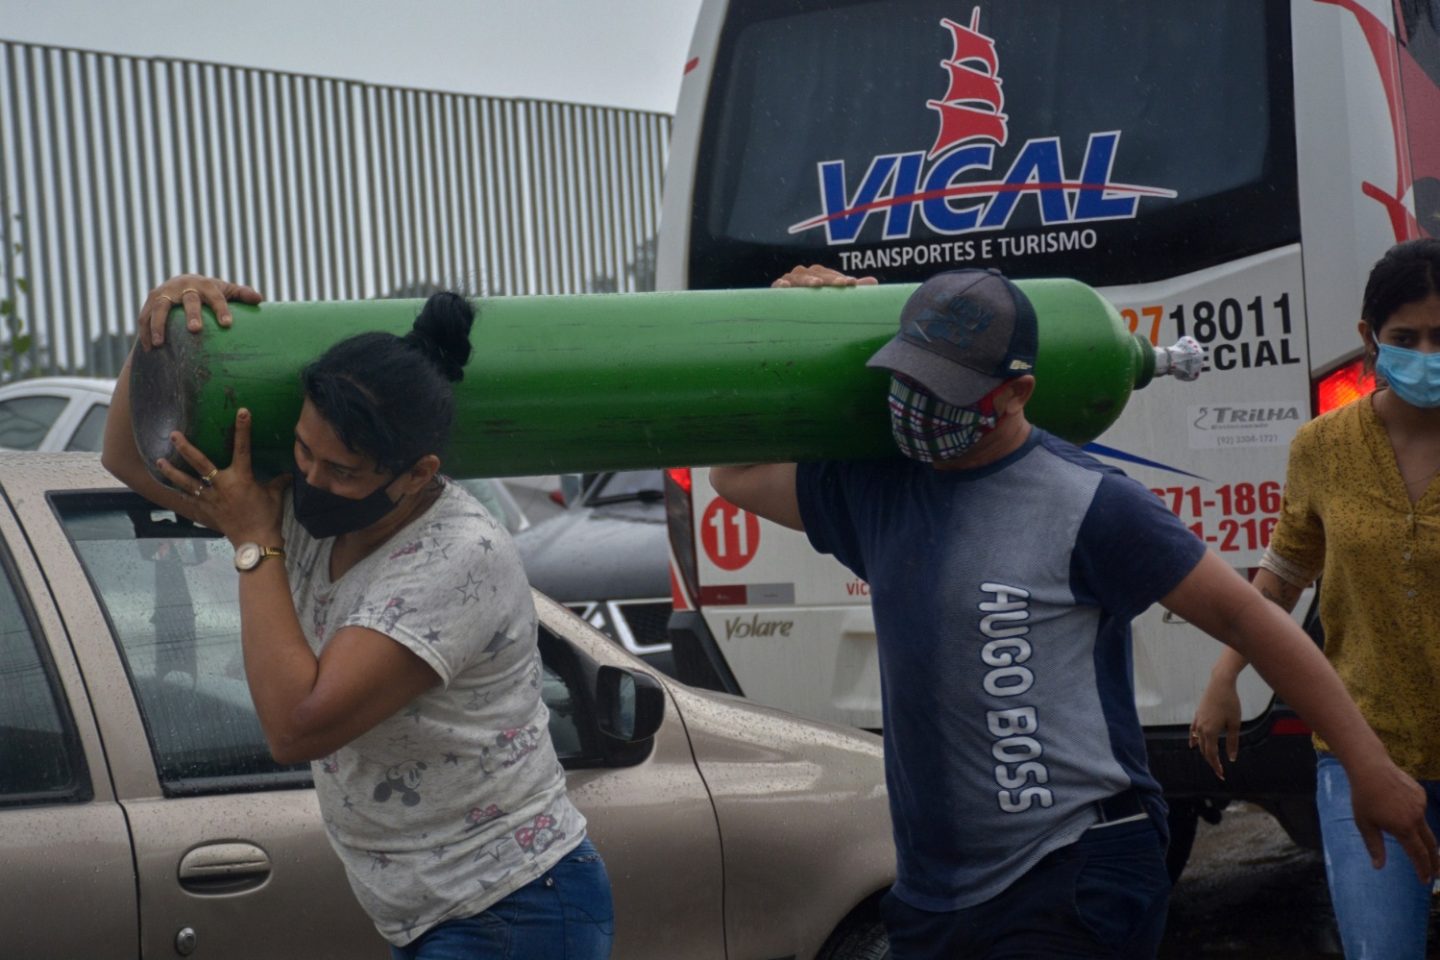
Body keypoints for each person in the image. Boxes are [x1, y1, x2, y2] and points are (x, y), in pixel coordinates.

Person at [718, 263, 1439, 959]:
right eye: (909, 381)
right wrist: (801, 324)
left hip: (1072, 871)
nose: (920, 406)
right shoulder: (879, 492)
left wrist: (1366, 765)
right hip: (935, 895)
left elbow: (1253, 620)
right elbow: (734, 472)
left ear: (1016, 391)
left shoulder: (1090, 503)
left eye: (946, 390)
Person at [101, 275, 613, 959]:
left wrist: (255, 546)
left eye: (343, 471)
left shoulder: (458, 557)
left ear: (415, 472)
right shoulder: (307, 517)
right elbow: (128, 458)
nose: (313, 481)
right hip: (433, 912)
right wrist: (155, 335)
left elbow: (298, 725)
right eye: (306, 453)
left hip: (512, 907)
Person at [1191, 238, 1440, 960]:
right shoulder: (1324, 447)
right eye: (1406, 338)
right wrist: (1224, 675)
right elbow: (1284, 574)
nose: (1426, 353)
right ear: (1368, 339)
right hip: (1365, 750)